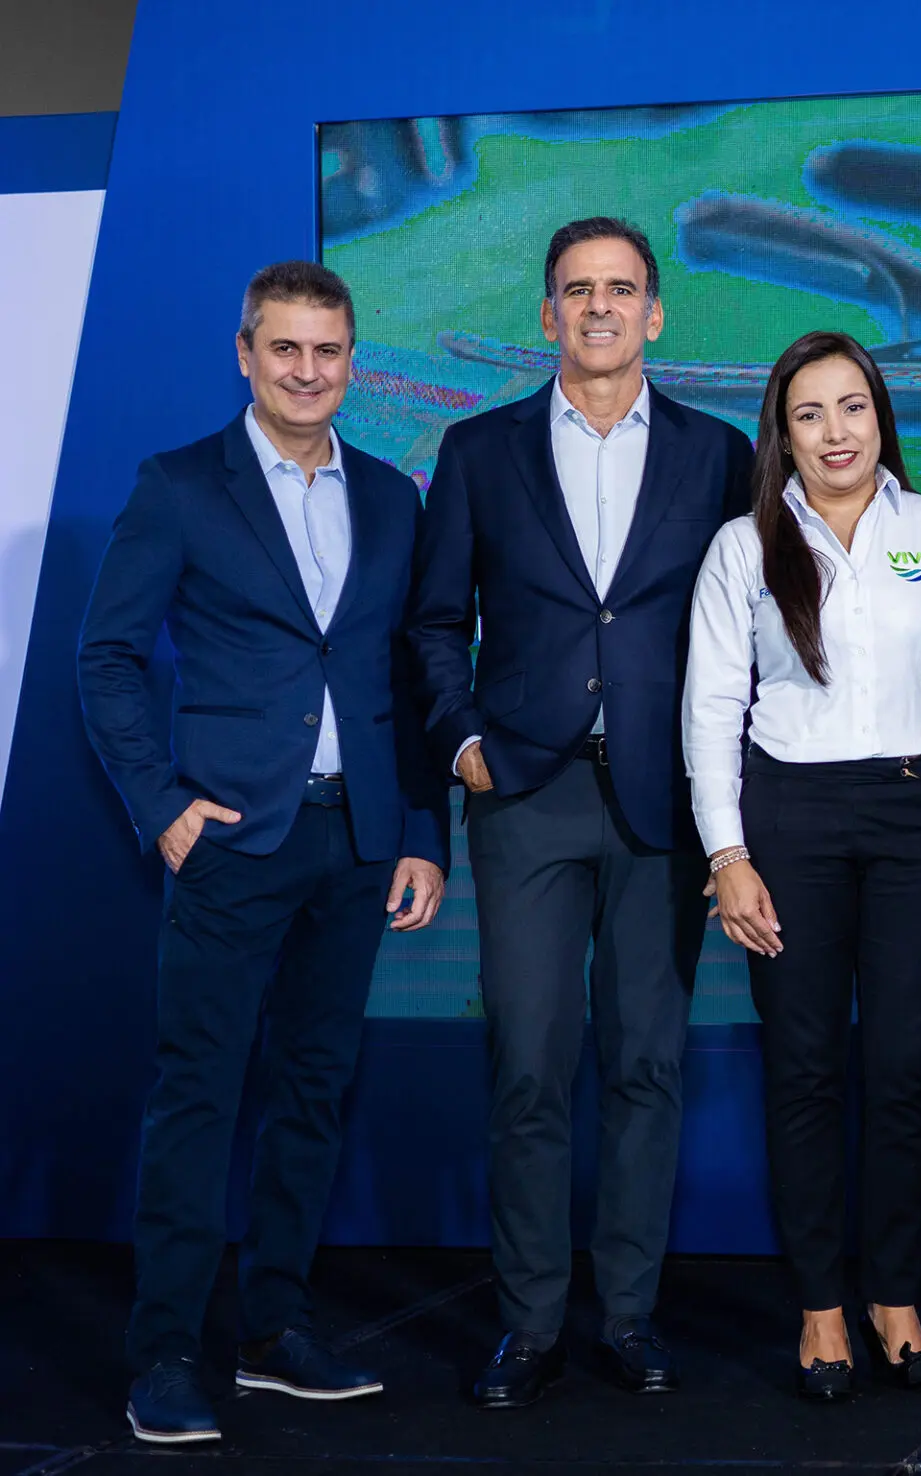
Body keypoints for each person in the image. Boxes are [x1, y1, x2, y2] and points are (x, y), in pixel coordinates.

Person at [77, 261, 449, 1444]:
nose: (306, 371)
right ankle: (168, 1353)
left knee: (312, 1093)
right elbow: (108, 658)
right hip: (232, 842)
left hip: (356, 842)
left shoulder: (394, 498)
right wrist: (163, 803)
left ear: (352, 358)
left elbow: (408, 676)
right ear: (245, 353)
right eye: (283, 349)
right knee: (199, 1097)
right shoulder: (180, 487)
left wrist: (422, 832)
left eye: (327, 351)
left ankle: (274, 1328)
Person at [408, 217, 752, 1408]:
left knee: (649, 1066)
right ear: (546, 314)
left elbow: (752, 626)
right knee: (528, 1065)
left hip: (665, 803)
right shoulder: (478, 450)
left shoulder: (721, 454)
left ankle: (633, 1319)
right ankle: (530, 1323)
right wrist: (462, 743)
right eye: (575, 290)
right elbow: (435, 619)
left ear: (655, 312)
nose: (599, 307)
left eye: (621, 289)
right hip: (529, 799)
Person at [684, 331, 921, 1400]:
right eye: (810, 414)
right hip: (793, 819)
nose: (836, 432)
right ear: (782, 432)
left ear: (882, 417)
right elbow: (713, 711)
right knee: (807, 1069)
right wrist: (728, 853)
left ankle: (894, 1299)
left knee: (905, 1068)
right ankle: (823, 1308)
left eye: (853, 407)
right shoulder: (745, 547)